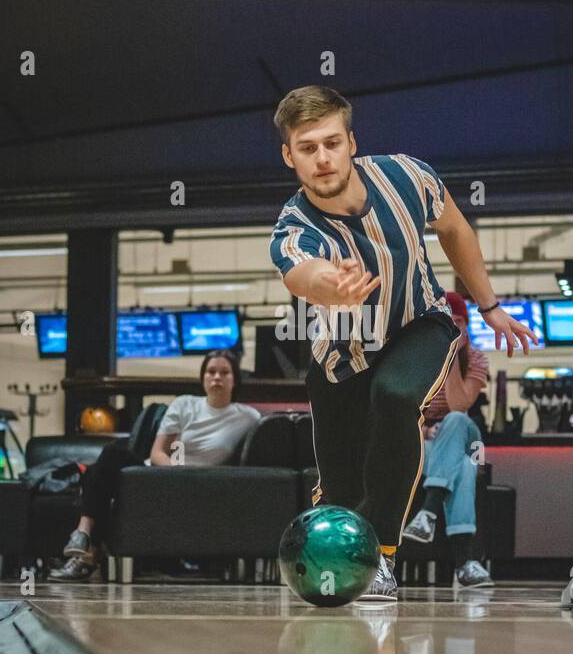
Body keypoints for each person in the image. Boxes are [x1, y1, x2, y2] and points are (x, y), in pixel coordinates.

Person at [269, 85, 537, 601]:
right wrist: (333, 282)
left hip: (421, 323)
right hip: (342, 356)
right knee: (342, 492)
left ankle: (384, 558)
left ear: (351, 142)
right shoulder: (293, 224)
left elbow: (455, 228)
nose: (322, 158)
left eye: (331, 143)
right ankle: (332, 569)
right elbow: (301, 274)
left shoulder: (407, 175)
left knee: (395, 397)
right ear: (289, 156)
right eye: (307, 148)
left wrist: (489, 306)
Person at [50, 350, 259, 581]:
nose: (217, 378)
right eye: (211, 372)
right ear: (203, 378)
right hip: (159, 474)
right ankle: (83, 533)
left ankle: (86, 554)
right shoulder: (185, 404)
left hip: (202, 484)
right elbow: (158, 452)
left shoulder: (248, 417)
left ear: (235, 380)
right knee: (111, 454)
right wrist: (174, 474)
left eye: (224, 373)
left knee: (94, 472)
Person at [403, 290, 492, 588]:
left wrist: (451, 358)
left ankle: (429, 510)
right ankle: (465, 563)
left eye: (457, 323)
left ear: (465, 326)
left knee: (455, 421)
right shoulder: (417, 359)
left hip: (468, 438)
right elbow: (405, 412)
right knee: (465, 468)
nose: (452, 330)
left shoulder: (477, 359)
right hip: (427, 442)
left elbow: (459, 405)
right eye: (445, 324)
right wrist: (426, 430)